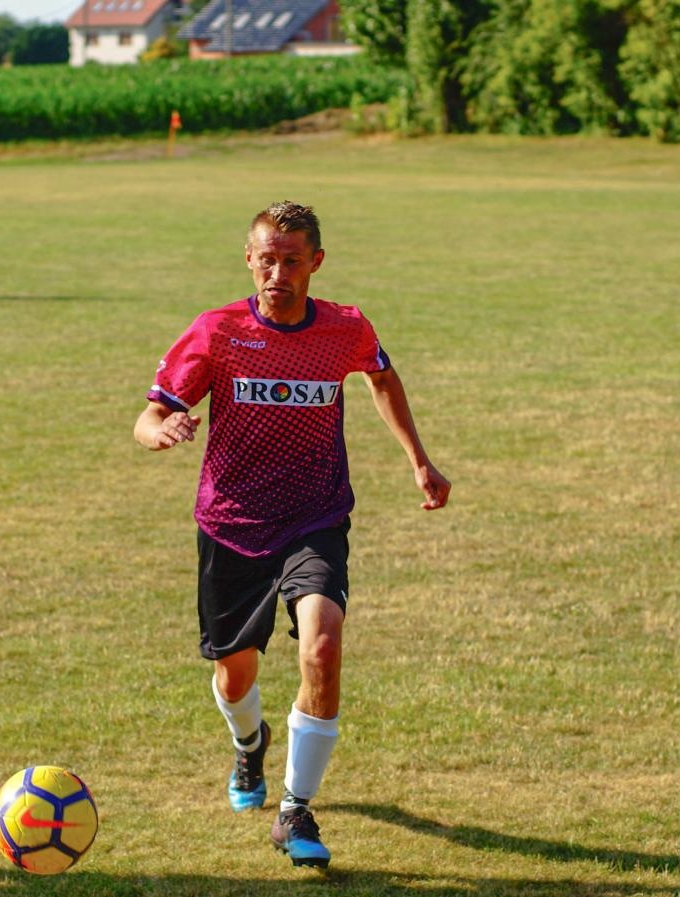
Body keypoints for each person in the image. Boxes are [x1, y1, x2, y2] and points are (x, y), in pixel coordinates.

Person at [133, 201, 451, 868]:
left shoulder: (345, 327)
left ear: (315, 263)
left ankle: (293, 808)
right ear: (249, 259)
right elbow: (153, 410)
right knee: (232, 672)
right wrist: (158, 429)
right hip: (233, 521)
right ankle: (249, 745)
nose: (278, 272)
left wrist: (417, 458)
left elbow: (381, 375)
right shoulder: (218, 331)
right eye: (267, 259)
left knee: (324, 646)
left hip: (315, 516)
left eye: (292, 260)